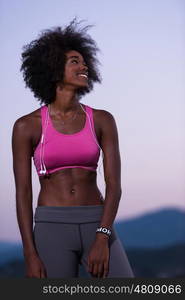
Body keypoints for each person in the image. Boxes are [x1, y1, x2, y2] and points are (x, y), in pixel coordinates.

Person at [12, 18, 134, 278]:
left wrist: (102, 237)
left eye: (84, 60)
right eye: (74, 61)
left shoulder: (102, 119)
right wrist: (29, 254)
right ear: (54, 68)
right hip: (50, 225)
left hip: (98, 222)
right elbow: (23, 193)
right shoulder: (27, 126)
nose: (84, 66)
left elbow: (114, 185)